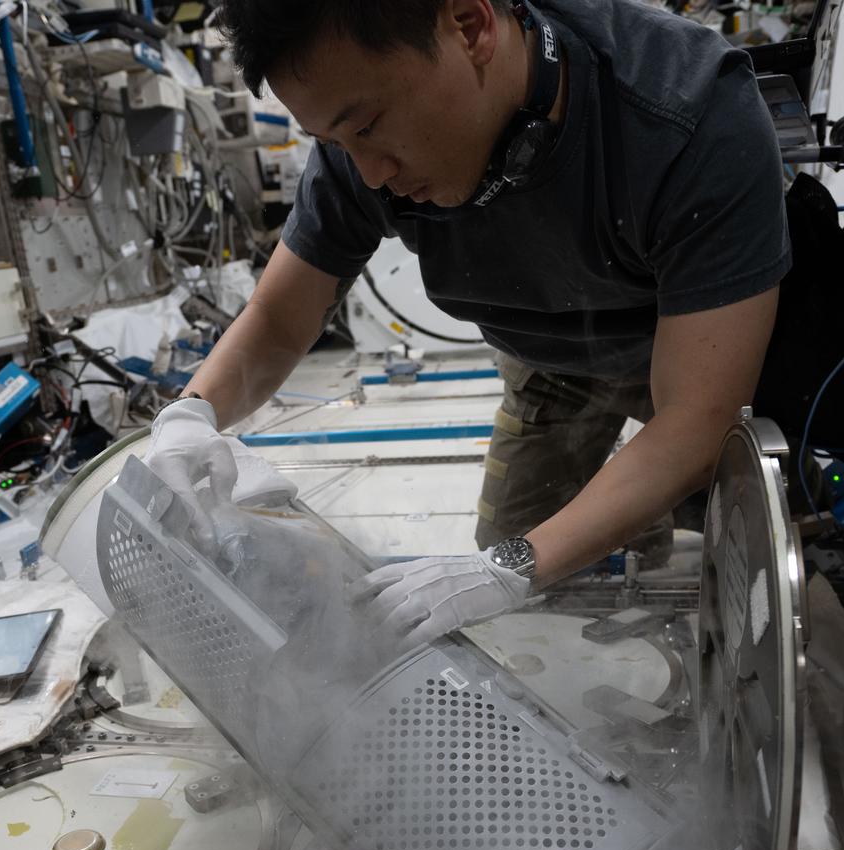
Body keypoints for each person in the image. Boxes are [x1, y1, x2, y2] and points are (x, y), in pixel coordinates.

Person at [146, 0, 788, 648]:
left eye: (367, 126)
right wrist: (192, 413)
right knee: (512, 583)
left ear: (471, 25)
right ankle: (633, 529)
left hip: (695, 345)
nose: (369, 173)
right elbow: (281, 320)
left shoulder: (690, 113)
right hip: (548, 366)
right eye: (335, 143)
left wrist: (517, 568)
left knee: (774, 576)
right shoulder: (359, 145)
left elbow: (695, 417)